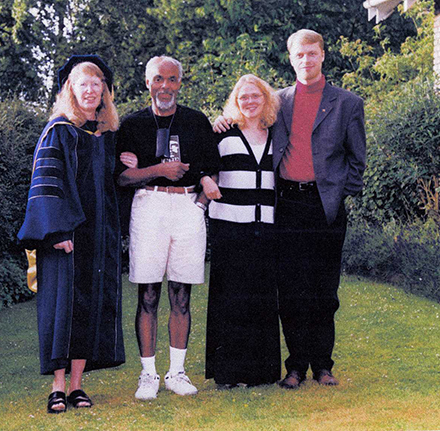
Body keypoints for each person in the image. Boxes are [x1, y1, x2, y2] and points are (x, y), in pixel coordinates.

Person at [214, 29, 366, 389]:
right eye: (299, 55)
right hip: (287, 205)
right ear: (291, 58)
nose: (306, 61)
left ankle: (323, 365)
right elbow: (248, 121)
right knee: (292, 288)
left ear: (323, 56)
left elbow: (357, 160)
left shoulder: (348, 103)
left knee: (325, 290)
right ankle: (295, 366)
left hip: (325, 207)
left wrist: (338, 193)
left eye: (312, 54)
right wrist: (221, 122)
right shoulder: (279, 102)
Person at [18, 55, 125, 413]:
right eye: (84, 84)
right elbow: (46, 184)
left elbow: (110, 186)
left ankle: (78, 385)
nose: (91, 90)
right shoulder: (58, 131)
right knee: (62, 309)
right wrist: (56, 231)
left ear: (104, 92)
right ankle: (58, 387)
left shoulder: (105, 135)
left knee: (89, 308)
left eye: (97, 84)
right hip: (65, 238)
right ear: (71, 90)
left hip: (98, 238)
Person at [116, 56, 220, 400]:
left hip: (188, 205)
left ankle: (177, 372)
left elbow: (212, 169)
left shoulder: (196, 121)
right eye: (158, 79)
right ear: (148, 83)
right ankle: (149, 374)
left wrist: (201, 206)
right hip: (150, 205)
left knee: (181, 293)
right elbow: (122, 176)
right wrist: (159, 170)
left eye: (172, 79)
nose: (165, 86)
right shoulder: (131, 125)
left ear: (180, 82)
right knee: (147, 294)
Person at [205, 74, 281, 387]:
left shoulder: (278, 135)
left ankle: (260, 373)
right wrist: (204, 178)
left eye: (255, 96)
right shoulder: (223, 134)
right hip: (229, 227)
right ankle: (228, 372)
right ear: (235, 102)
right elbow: (203, 165)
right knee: (230, 298)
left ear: (266, 99)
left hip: (266, 228)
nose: (249, 102)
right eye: (243, 97)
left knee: (262, 300)